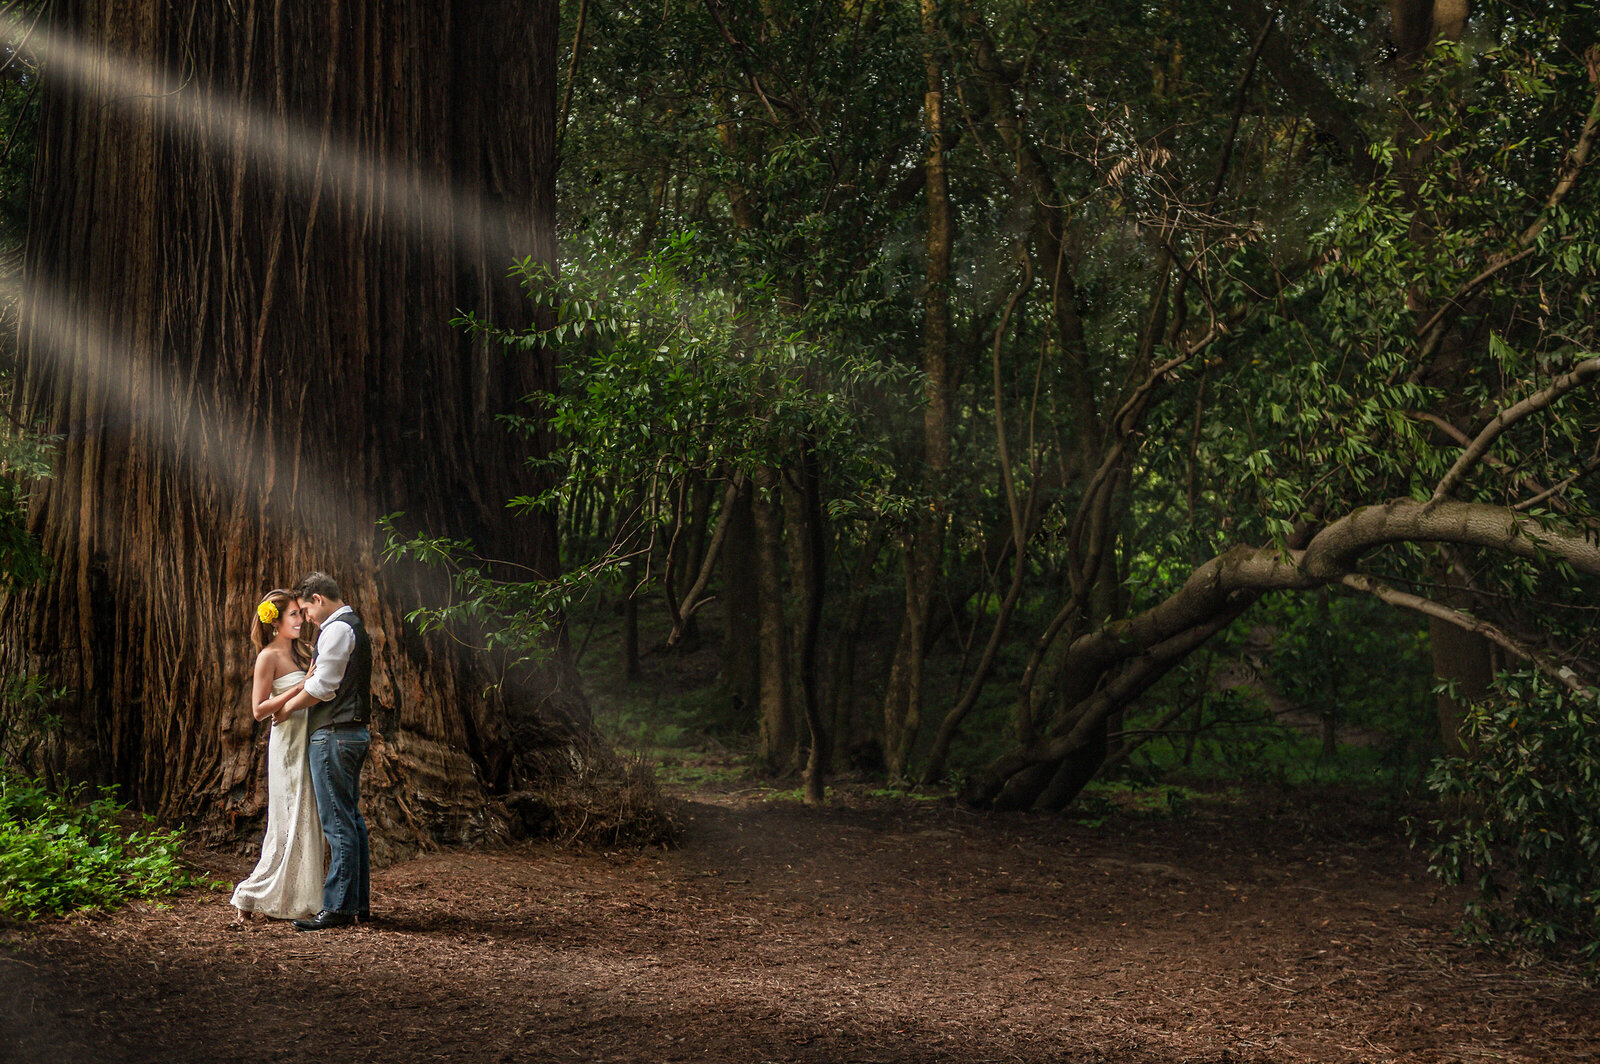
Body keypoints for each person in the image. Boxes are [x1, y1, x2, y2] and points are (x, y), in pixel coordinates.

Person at [276, 571, 373, 931]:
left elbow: (323, 687)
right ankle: (357, 903)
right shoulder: (351, 626)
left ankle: (337, 907)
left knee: (338, 822)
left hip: (335, 734)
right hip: (349, 733)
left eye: (305, 609)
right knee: (351, 818)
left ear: (318, 599)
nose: (305, 619)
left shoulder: (336, 629)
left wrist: (286, 709)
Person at [230, 589, 326, 922]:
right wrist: (298, 688)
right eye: (294, 615)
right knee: (287, 818)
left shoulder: (306, 652)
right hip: (287, 743)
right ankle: (249, 894)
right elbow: (258, 710)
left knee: (308, 815)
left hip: (311, 739)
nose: (301, 620)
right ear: (277, 622)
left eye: (302, 613)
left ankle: (301, 898)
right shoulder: (268, 657)